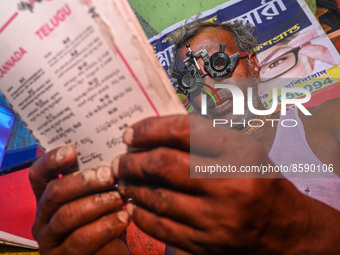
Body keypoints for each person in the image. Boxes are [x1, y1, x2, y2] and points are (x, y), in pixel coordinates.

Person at [29, 20, 340, 254]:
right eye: (191, 79)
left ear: (254, 64)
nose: (212, 89)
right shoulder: (175, 173)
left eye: (221, 66)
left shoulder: (329, 120)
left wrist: (298, 226)